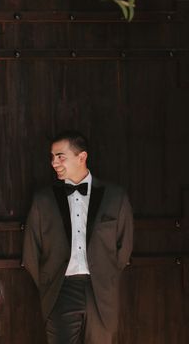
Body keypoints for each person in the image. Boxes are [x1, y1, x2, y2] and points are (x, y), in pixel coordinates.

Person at [22, 130, 134, 344]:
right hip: (59, 289)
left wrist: (106, 275)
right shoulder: (42, 199)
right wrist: (49, 284)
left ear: (81, 157)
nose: (54, 162)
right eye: (52, 157)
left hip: (101, 290)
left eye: (60, 156)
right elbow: (30, 252)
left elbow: (124, 246)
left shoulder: (116, 196)